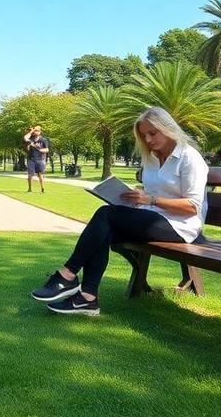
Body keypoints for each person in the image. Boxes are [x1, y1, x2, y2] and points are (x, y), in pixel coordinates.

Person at [30, 106, 209, 316]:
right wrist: (137, 196)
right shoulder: (151, 158)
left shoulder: (189, 157)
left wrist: (150, 199)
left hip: (181, 227)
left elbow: (193, 207)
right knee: (104, 230)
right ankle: (87, 298)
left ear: (168, 128)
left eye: (153, 133)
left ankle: (67, 275)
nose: (149, 140)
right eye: (144, 135)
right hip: (154, 218)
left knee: (106, 214)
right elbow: (155, 193)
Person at [23, 125, 50, 193]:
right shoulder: (30, 139)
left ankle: (42, 189)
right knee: (30, 175)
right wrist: (31, 131)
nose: (35, 131)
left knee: (40, 174)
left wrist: (39, 149)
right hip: (31, 159)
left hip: (40, 159)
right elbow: (25, 138)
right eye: (34, 130)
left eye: (36, 130)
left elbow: (47, 149)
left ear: (40, 132)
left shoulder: (43, 140)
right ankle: (29, 189)